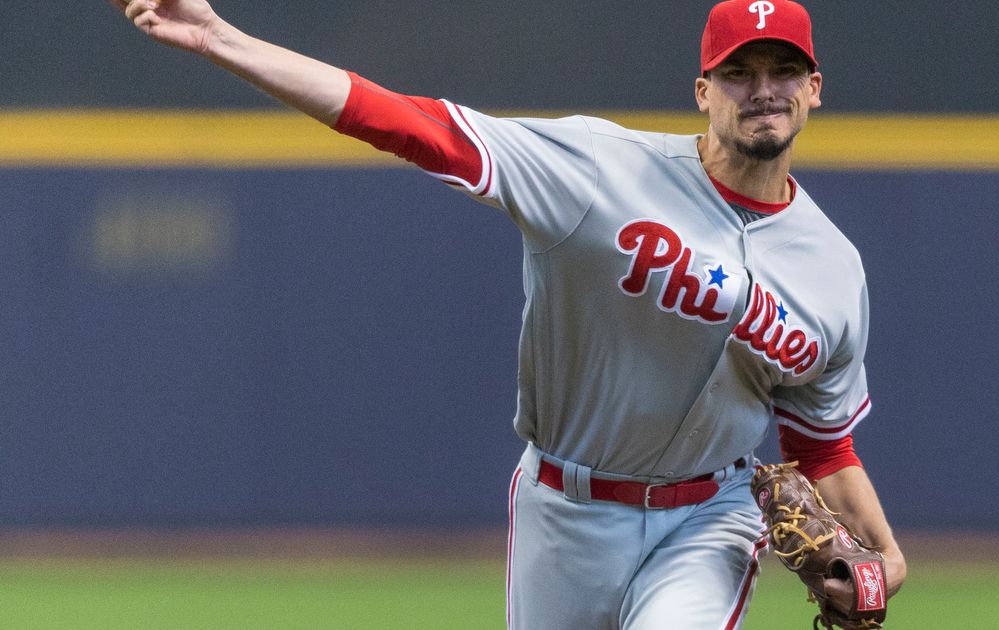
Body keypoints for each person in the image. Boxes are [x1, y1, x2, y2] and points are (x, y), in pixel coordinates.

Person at [112, 0, 907, 627]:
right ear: (703, 90)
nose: (763, 89)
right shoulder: (599, 168)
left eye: (783, 69)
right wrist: (219, 35)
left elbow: (822, 442)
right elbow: (405, 122)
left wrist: (887, 554)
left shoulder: (834, 269)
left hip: (710, 520)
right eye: (740, 71)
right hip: (566, 508)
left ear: (814, 88)